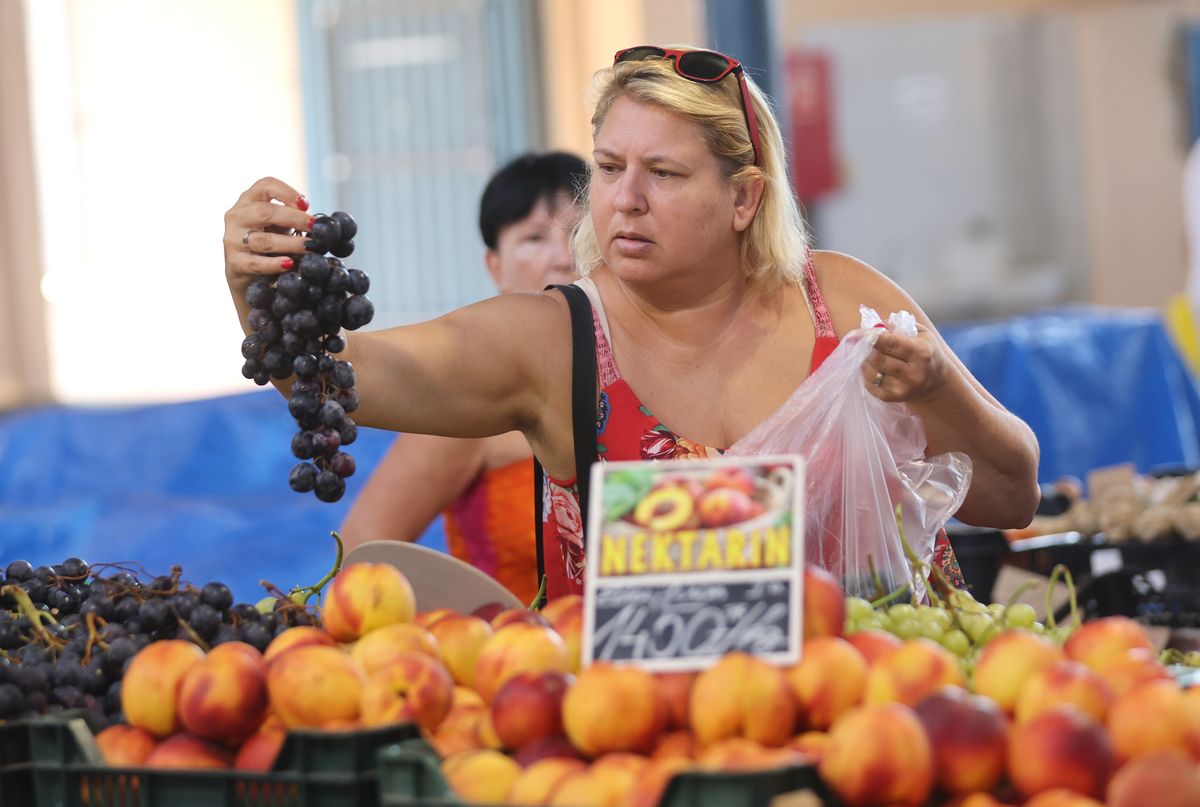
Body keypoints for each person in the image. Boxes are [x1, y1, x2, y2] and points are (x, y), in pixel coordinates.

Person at [224, 45, 1040, 603]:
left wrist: (939, 393)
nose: (625, 198)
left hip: (888, 730)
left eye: (664, 172)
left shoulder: (849, 305)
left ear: (744, 197)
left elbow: (1010, 494)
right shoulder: (556, 341)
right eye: (610, 168)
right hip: (643, 755)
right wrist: (257, 284)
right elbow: (340, 378)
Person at [338, 152, 586, 603]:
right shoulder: (475, 391)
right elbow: (363, 550)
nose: (562, 258)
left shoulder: (647, 375)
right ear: (496, 268)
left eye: (579, 233)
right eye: (534, 238)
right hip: (509, 664)